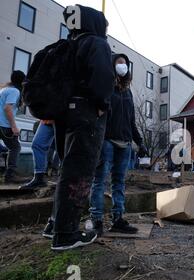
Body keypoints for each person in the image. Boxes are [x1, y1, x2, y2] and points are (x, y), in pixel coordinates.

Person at [42, 5, 115, 251]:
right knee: (80, 171)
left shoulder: (68, 44)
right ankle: (66, 234)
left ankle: (54, 224)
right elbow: (103, 78)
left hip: (64, 113)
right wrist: (102, 105)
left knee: (67, 169)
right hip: (86, 113)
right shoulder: (96, 43)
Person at [89, 53, 148, 236]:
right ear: (112, 65)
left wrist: (140, 142)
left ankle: (118, 219)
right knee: (99, 181)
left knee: (119, 183)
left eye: (125, 64)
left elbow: (131, 120)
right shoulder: (105, 87)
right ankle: (96, 220)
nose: (122, 66)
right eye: (119, 63)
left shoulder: (127, 92)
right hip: (106, 140)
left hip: (125, 143)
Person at [0, 71, 26, 184]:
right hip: (3, 124)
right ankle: (10, 176)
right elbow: (7, 108)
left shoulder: (4, 89)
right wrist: (14, 127)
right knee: (15, 147)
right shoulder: (14, 91)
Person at [20, 120, 59, 190]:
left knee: (64, 147)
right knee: (37, 144)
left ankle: (66, 180)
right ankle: (39, 178)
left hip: (66, 116)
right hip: (47, 118)